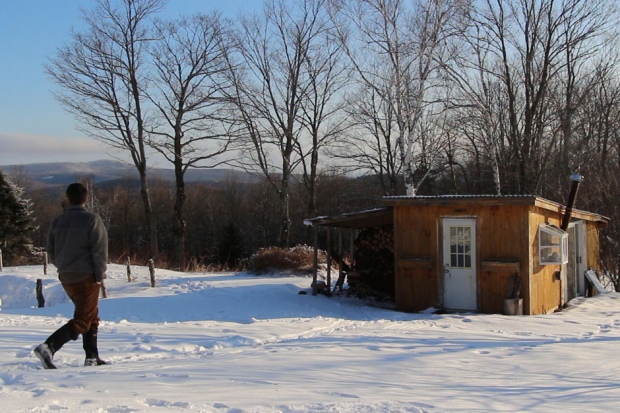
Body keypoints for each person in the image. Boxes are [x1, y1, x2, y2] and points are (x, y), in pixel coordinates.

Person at [34, 183, 108, 369]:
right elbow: (99, 250)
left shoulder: (58, 221)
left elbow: (50, 249)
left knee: (91, 315)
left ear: (68, 198)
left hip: (66, 276)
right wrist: (99, 275)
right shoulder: (92, 219)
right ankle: (48, 347)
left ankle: (91, 357)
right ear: (86, 198)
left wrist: (63, 266)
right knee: (83, 320)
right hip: (87, 276)